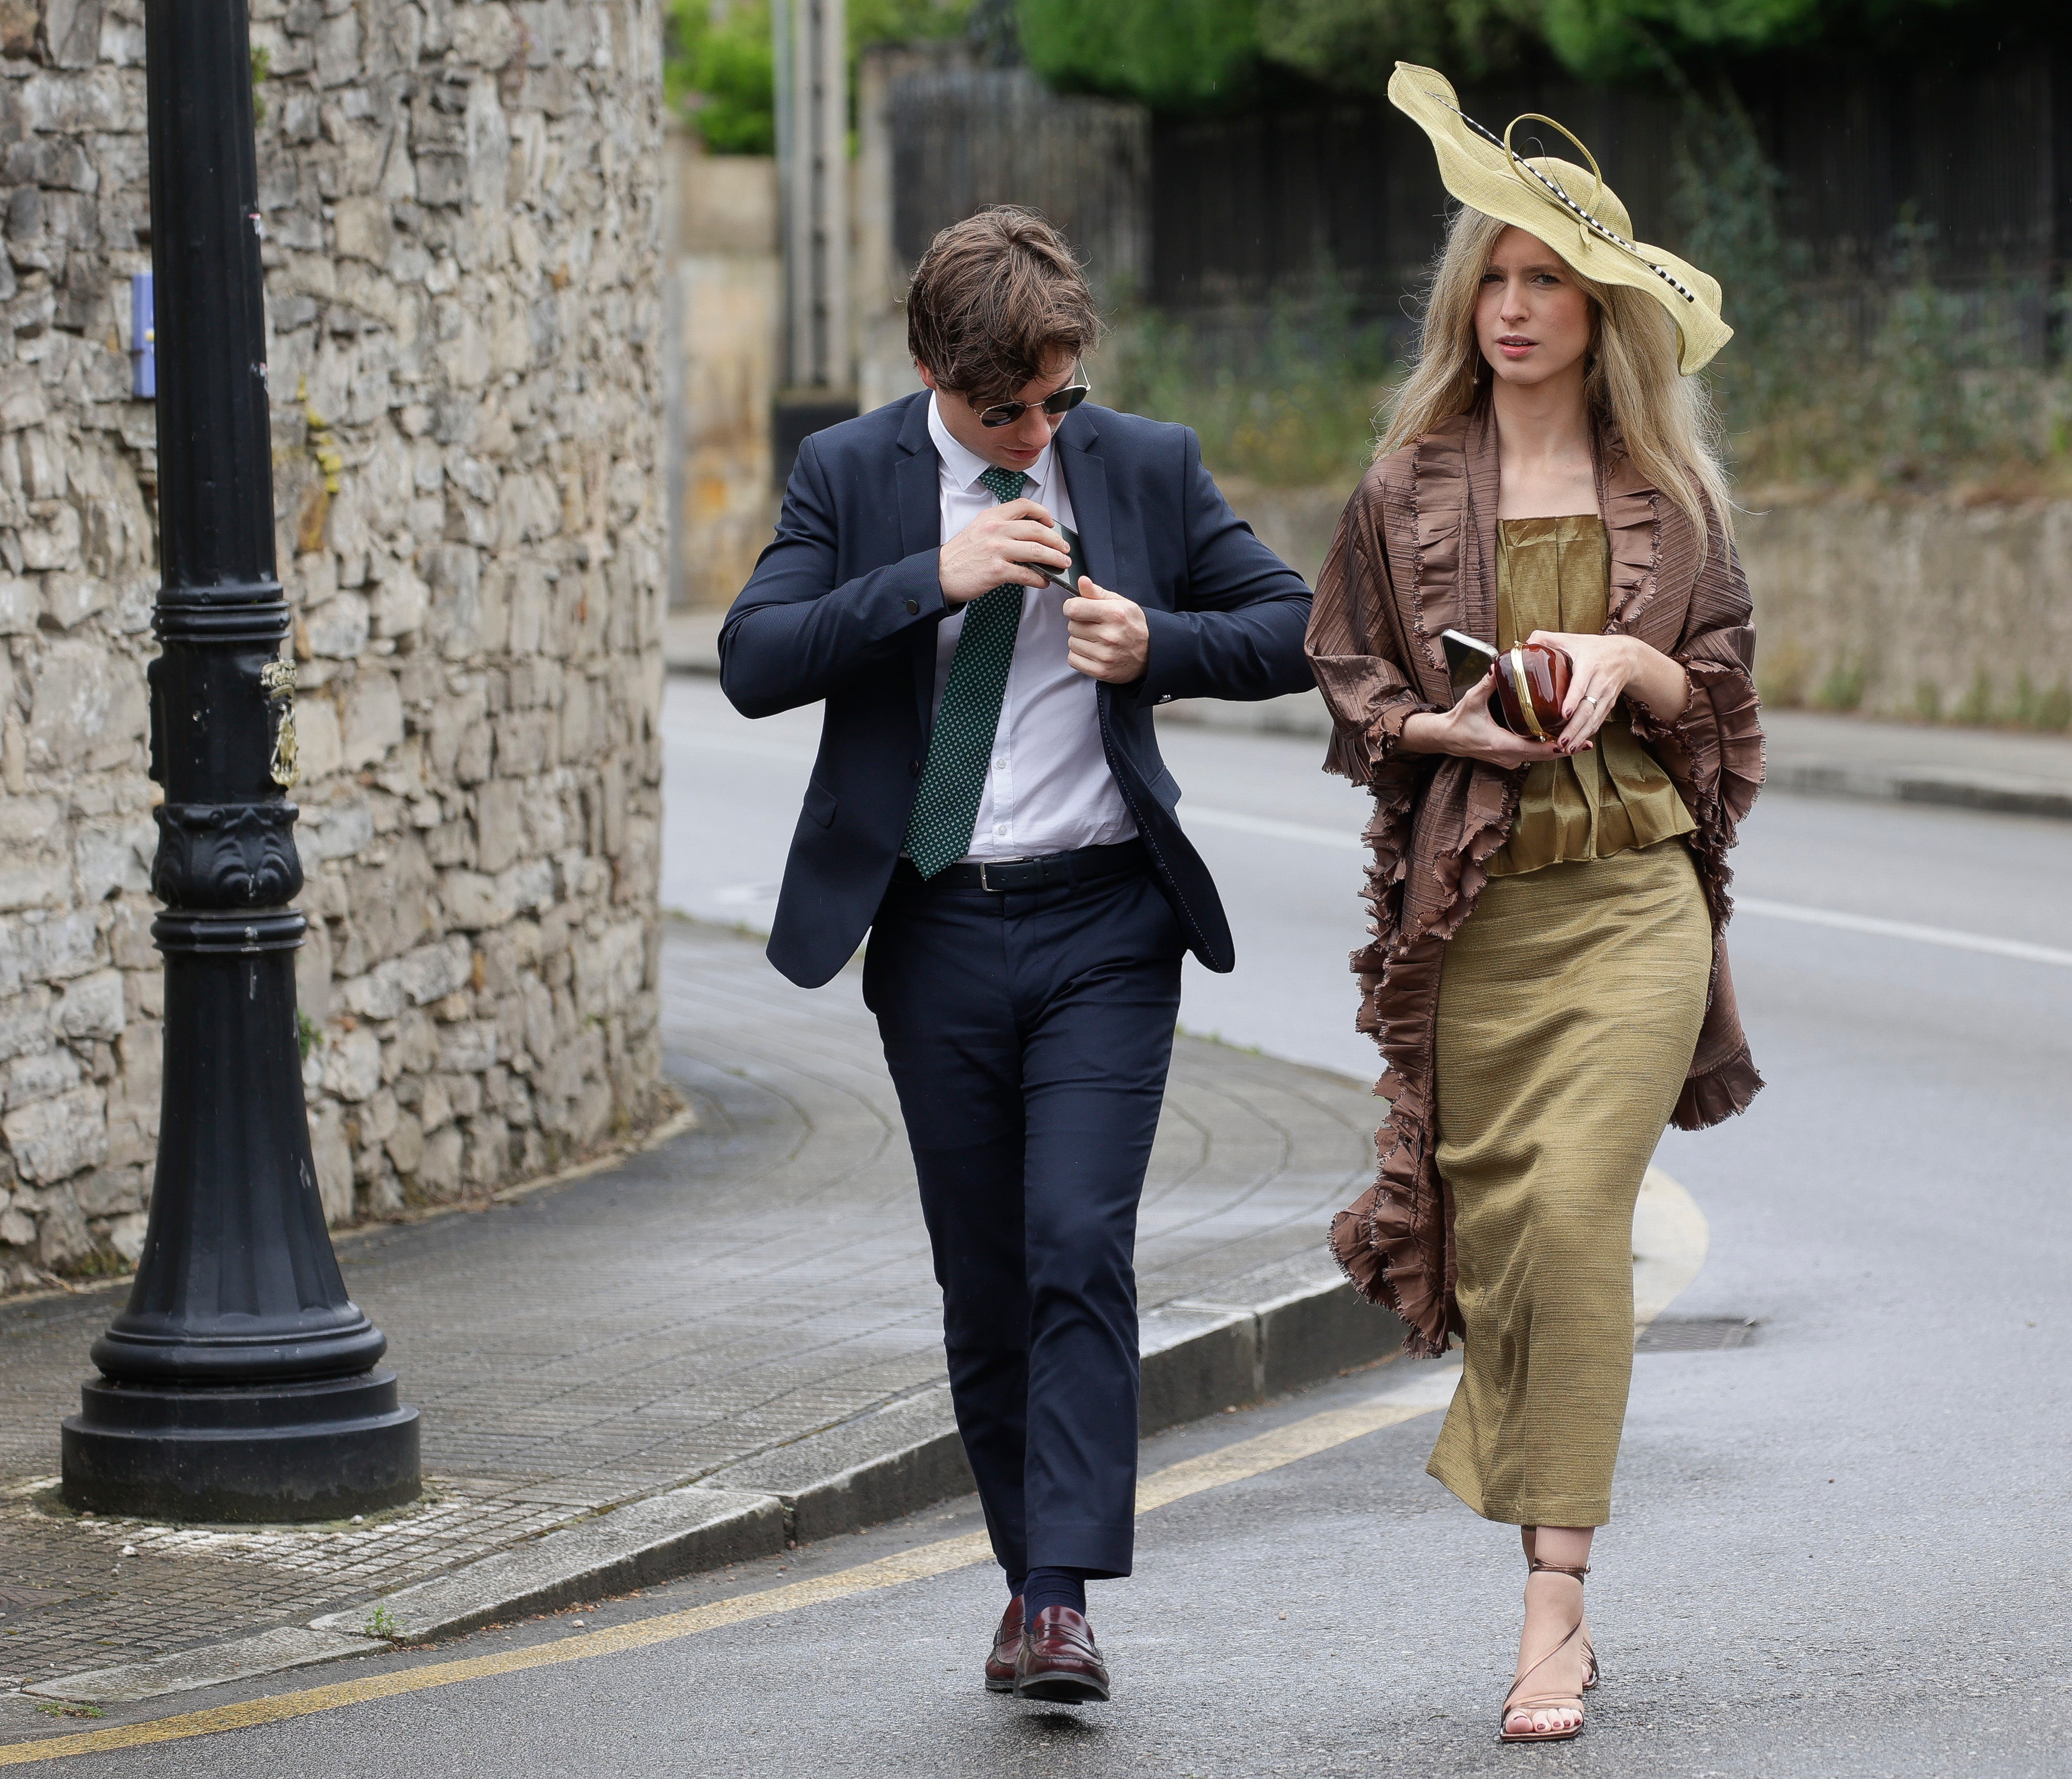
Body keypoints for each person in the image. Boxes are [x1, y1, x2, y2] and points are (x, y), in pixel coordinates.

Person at [719, 206, 1314, 1705]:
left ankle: (1061, 1604)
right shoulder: (851, 475)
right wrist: (940, 573)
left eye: (1059, 398)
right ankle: (1020, 1575)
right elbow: (751, 661)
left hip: (1108, 921)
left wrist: (1159, 644)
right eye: (1012, 409)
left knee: (1076, 1247)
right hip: (930, 929)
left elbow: (1296, 623)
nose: (1043, 429)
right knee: (986, 1285)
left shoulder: (1142, 463)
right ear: (934, 368)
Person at [1305, 66, 1765, 1745]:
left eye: (1546, 281)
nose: (1512, 308)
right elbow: (1350, 686)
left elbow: (1723, 703)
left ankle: (1552, 1611)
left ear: (1601, 311)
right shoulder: (1405, 487)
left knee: (1573, 1221)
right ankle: (1542, 1500)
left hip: (1635, 903)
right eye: (1490, 280)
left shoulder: (1676, 499)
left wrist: (1635, 663)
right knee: (1507, 1253)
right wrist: (1458, 721)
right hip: (1479, 920)